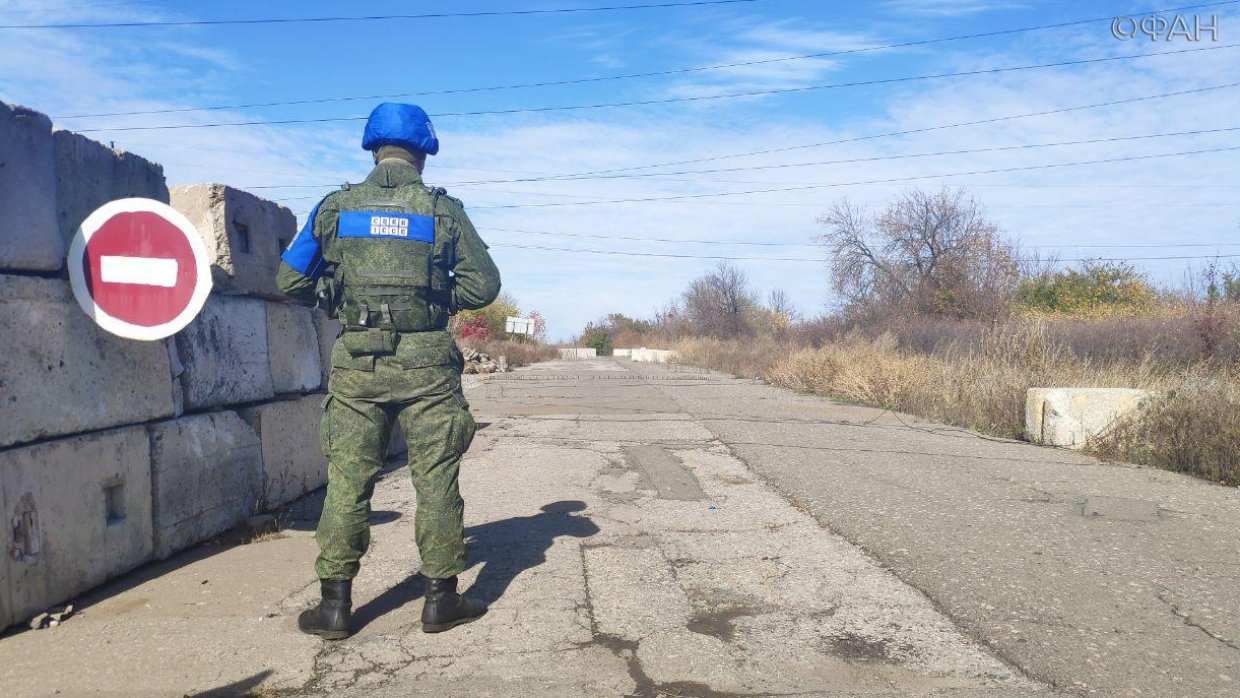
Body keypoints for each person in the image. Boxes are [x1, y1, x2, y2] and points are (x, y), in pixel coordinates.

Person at [275, 102, 501, 639]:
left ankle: (335, 607)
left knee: (349, 483)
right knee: (436, 480)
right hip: (427, 367)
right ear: (423, 152)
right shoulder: (440, 212)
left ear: (373, 148)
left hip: (358, 367)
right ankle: (441, 601)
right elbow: (484, 285)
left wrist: (334, 293)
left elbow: (289, 280)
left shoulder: (336, 208)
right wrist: (437, 294)